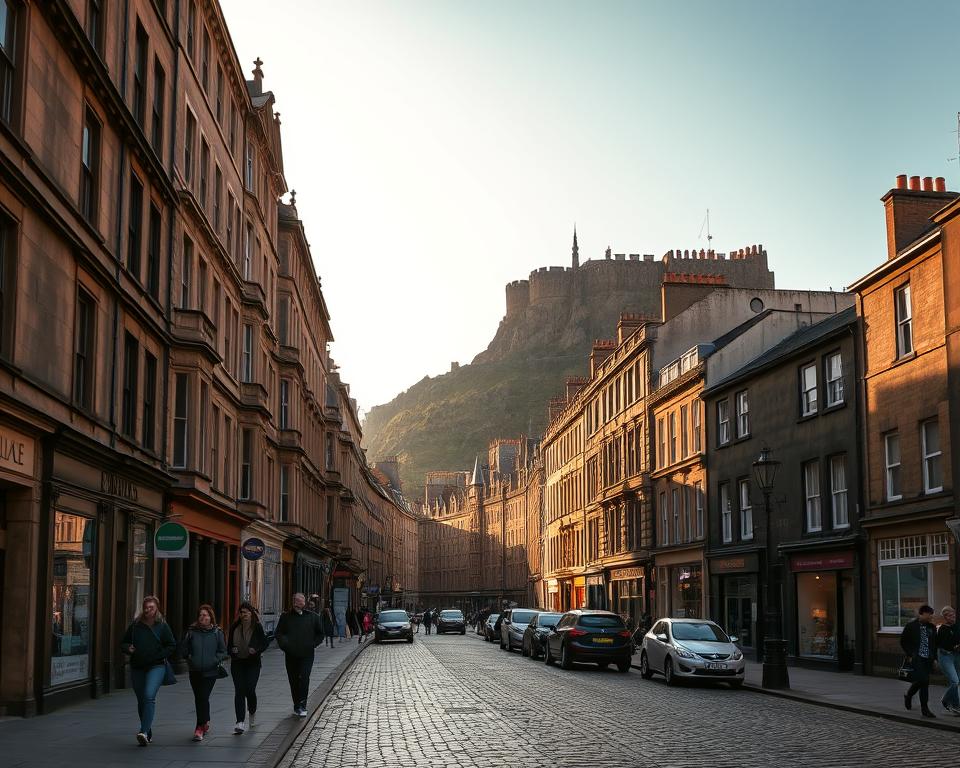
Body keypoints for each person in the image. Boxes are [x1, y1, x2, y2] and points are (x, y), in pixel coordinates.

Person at [121, 595, 177, 746]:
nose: (147, 610)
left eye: (151, 607)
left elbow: (171, 645)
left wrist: (158, 655)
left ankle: (143, 731)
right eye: (146, 607)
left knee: (148, 696)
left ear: (156, 608)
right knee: (141, 700)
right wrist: (128, 648)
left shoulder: (162, 625)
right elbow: (124, 642)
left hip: (156, 666)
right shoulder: (136, 625)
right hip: (137, 666)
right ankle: (147, 731)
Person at [180, 604, 228, 741]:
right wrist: (189, 658)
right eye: (201, 615)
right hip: (195, 670)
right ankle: (205, 720)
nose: (203, 617)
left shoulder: (217, 632)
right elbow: (184, 649)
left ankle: (199, 728)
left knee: (203, 696)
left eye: (205, 615)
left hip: (210, 671)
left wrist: (214, 660)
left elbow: (223, 651)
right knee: (199, 698)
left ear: (210, 617)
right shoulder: (191, 632)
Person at [275, 592, 323, 717]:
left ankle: (302, 704)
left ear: (304, 602)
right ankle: (297, 704)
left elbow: (320, 633)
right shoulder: (286, 617)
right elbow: (279, 633)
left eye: (300, 600)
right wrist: (285, 645)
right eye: (295, 600)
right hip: (291, 655)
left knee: (304, 678)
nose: (297, 603)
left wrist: (313, 644)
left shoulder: (313, 617)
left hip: (307, 654)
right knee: (294, 680)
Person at [227, 601, 270, 734]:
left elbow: (264, 643)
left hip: (253, 663)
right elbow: (228, 646)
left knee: (250, 689)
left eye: (246, 612)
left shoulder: (256, 627)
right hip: (238, 662)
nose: (243, 614)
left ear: (251, 613)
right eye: (241, 612)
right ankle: (240, 722)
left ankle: (252, 711)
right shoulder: (235, 627)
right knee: (239, 690)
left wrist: (256, 650)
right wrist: (232, 650)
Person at [901, 604, 939, 718]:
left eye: (931, 615)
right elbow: (903, 641)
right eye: (929, 615)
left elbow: (934, 644)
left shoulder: (931, 627)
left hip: (928, 658)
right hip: (917, 658)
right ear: (921, 614)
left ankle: (908, 695)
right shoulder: (911, 626)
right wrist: (910, 653)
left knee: (922, 681)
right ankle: (925, 708)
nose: (931, 617)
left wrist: (935, 659)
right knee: (924, 680)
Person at [937, 606, 960, 715]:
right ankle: (949, 702)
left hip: (957, 656)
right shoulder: (942, 629)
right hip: (946, 656)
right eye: (950, 616)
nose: (953, 617)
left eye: (954, 615)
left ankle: (953, 704)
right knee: (955, 681)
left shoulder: (957, 626)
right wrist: (954, 646)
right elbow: (943, 644)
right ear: (945, 617)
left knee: (957, 682)